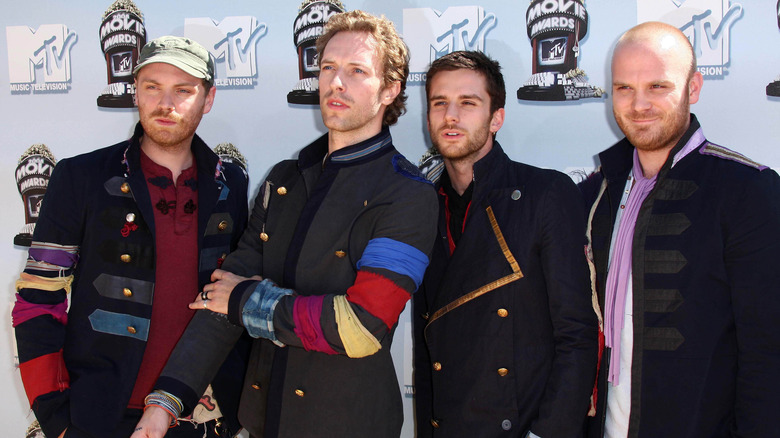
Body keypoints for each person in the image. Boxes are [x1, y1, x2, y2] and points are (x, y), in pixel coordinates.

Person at [132, 10, 438, 438]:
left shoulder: (409, 194)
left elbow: (361, 328)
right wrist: (166, 401)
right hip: (261, 420)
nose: (335, 83)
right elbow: (221, 295)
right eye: (329, 68)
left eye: (356, 71)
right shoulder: (284, 179)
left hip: (348, 426)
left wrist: (247, 301)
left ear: (390, 89)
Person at [12, 36, 249, 438]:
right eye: (152, 87)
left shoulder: (231, 183)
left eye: (183, 90)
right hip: (103, 415)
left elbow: (236, 298)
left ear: (208, 100)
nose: (165, 103)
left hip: (206, 415)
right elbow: (38, 299)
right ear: (135, 92)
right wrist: (55, 414)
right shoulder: (79, 177)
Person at [580, 22, 780, 437]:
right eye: (624, 88)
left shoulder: (747, 191)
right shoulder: (593, 195)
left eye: (657, 86)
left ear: (693, 88)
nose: (639, 104)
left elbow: (768, 352)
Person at [413, 51, 598, 438]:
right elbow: (426, 346)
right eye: (439, 103)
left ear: (496, 117)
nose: (451, 116)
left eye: (468, 103)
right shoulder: (422, 207)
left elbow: (577, 335)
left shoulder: (545, 194)